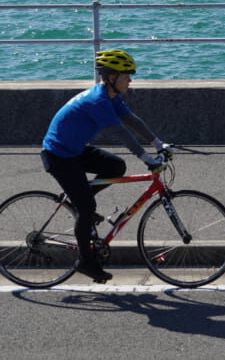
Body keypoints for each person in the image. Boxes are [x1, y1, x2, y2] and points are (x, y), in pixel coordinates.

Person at [41, 49, 169, 282]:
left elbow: (131, 120)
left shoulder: (111, 97)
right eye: (126, 75)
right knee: (87, 207)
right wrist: (147, 158)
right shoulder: (98, 101)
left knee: (116, 167)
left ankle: (78, 198)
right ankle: (85, 261)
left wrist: (158, 143)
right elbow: (122, 133)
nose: (130, 79)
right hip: (58, 156)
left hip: (75, 150)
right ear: (112, 77)